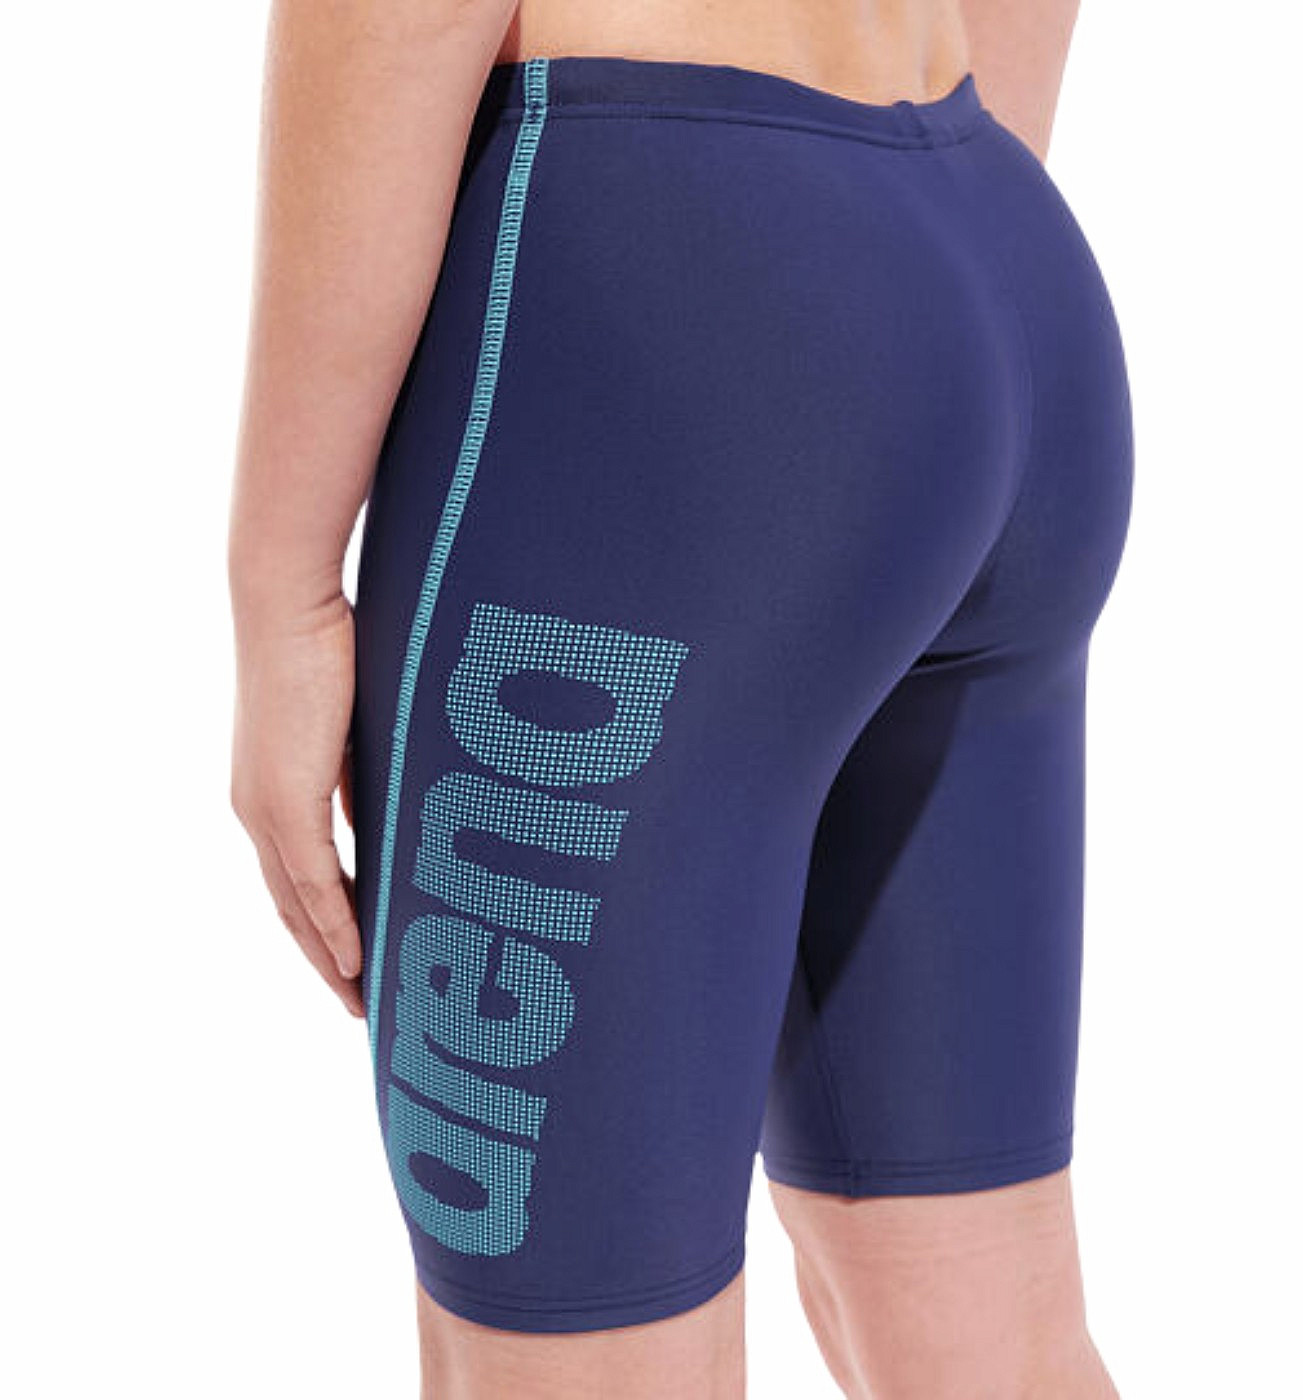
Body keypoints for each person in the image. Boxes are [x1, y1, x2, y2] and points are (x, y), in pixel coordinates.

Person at [228, 0, 1133, 1394]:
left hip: (668, 305)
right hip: (990, 244)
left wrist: (282, 585)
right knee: (993, 1341)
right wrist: (903, 319)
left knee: (571, 1356)